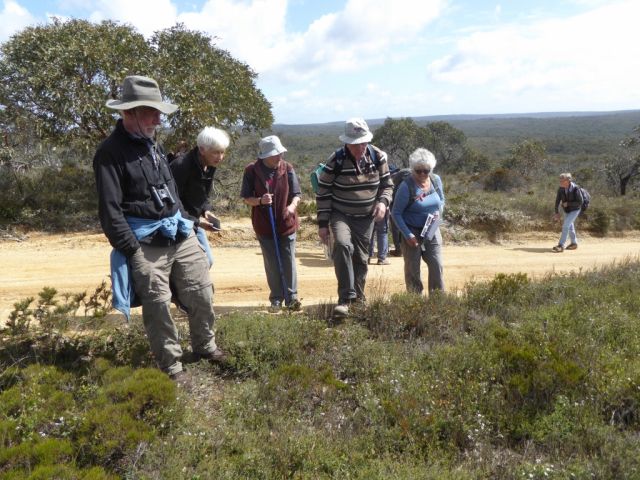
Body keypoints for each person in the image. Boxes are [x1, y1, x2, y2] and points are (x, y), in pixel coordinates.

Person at [93, 75, 224, 383]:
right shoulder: (109, 154)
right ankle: (172, 366)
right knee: (158, 305)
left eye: (158, 111)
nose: (159, 118)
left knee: (202, 290)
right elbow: (110, 212)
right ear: (129, 113)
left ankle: (205, 346)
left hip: (179, 232)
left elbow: (171, 194)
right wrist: (133, 251)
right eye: (151, 111)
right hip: (144, 241)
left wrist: (190, 223)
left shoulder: (153, 144)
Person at [316, 117, 393, 318]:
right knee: (341, 245)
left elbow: (387, 185)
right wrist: (323, 224)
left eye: (363, 142)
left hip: (367, 216)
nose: (360, 147)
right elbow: (323, 192)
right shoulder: (336, 160)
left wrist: (383, 203)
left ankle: (358, 299)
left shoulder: (378, 157)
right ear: (347, 142)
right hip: (340, 214)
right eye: (355, 144)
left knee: (361, 257)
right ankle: (345, 298)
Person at [240, 135, 302, 312]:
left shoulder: (287, 168)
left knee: (288, 260)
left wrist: (292, 206)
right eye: (275, 154)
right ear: (264, 156)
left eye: (280, 153)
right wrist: (260, 200)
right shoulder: (251, 170)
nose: (279, 157)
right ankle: (276, 298)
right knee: (272, 263)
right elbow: (246, 198)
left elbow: (297, 194)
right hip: (264, 225)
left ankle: (292, 298)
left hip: (286, 223)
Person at [170, 127, 230, 267]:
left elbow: (203, 195)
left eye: (222, 152)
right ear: (202, 150)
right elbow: (171, 203)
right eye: (216, 152)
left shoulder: (209, 165)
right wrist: (196, 222)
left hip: (193, 222)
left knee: (206, 261)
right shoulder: (181, 166)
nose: (220, 157)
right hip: (177, 224)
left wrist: (206, 210)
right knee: (199, 263)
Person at [391, 148, 445, 294]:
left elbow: (441, 201)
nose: (422, 174)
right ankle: (415, 304)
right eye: (418, 170)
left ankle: (438, 301)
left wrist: (438, 216)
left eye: (426, 170)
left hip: (432, 229)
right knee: (412, 270)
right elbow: (396, 213)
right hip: (411, 231)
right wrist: (408, 235)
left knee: (437, 265)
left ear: (431, 169)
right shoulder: (406, 186)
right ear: (412, 169)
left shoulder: (435, 180)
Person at [553, 172, 583, 252]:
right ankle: (574, 243)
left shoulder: (576, 188)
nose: (560, 182)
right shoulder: (561, 189)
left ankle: (561, 245)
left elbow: (580, 202)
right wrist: (556, 212)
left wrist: (568, 203)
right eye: (560, 181)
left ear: (568, 181)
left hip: (575, 209)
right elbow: (557, 201)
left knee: (566, 225)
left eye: (562, 181)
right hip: (566, 210)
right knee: (570, 226)